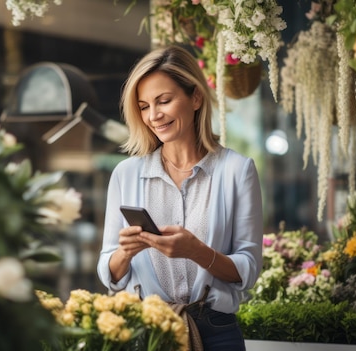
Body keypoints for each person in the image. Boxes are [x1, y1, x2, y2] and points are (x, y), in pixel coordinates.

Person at [97, 45, 263, 351]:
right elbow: (109, 271)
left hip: (216, 332)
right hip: (148, 331)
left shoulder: (237, 170)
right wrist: (126, 252)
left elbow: (248, 269)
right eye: (144, 106)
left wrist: (195, 251)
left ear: (196, 97)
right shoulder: (126, 173)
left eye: (164, 101)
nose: (153, 115)